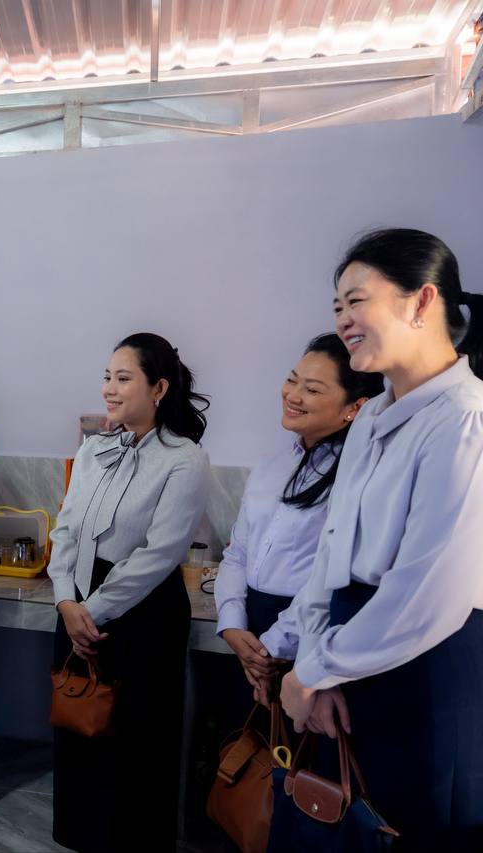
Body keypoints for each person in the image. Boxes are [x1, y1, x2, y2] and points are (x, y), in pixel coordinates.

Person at [279, 229, 483, 852]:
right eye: (336, 307)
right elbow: (332, 552)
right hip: (347, 654)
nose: (342, 320)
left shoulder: (465, 420)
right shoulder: (370, 418)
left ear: (422, 301)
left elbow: (428, 592)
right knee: (338, 823)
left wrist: (316, 668)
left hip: (425, 664)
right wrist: (314, 661)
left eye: (356, 302)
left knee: (408, 828)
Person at [48, 332, 211, 853]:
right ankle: (81, 837)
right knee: (79, 726)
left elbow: (158, 555)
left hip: (142, 615)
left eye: (123, 378)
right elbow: (65, 529)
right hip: (76, 603)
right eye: (107, 377)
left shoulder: (184, 458)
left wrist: (90, 612)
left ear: (159, 388)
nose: (109, 389)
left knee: (136, 740)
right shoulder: (94, 448)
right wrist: (65, 600)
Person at [215, 334, 381, 699]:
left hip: (309, 638)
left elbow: (332, 580)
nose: (293, 395)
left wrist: (273, 646)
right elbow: (237, 555)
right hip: (249, 632)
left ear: (355, 407)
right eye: (292, 380)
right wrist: (232, 624)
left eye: (313, 389)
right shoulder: (270, 467)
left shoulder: (360, 476)